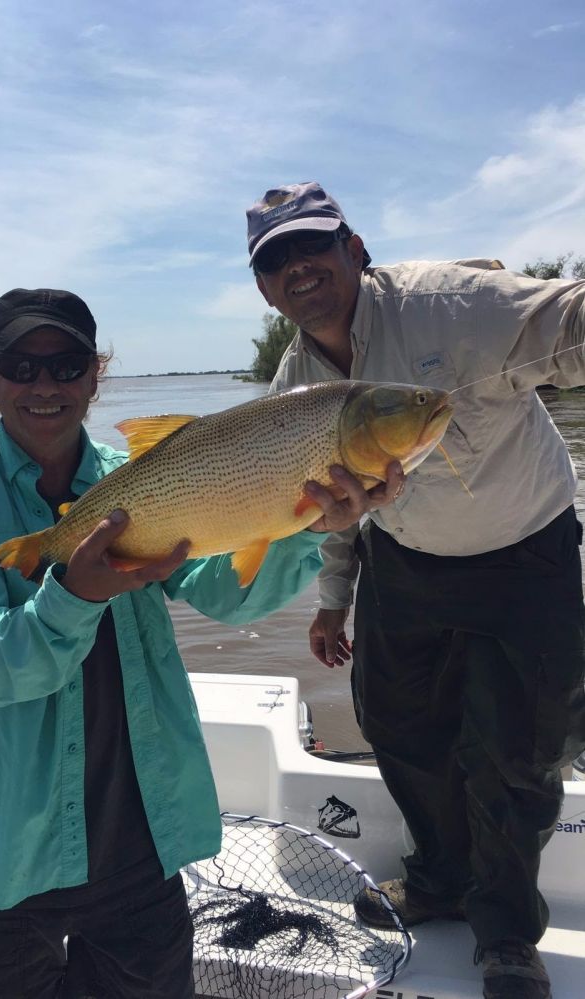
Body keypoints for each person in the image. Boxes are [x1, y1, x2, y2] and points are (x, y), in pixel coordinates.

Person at [0, 286, 403, 999]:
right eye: (21, 364)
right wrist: (75, 595)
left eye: (67, 364)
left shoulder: (134, 479)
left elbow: (232, 597)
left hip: (137, 839)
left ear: (94, 374)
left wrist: (313, 527)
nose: (45, 385)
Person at [245, 181, 585, 999]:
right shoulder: (293, 384)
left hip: (523, 551)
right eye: (274, 258)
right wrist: (332, 597)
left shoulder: (450, 302)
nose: (298, 267)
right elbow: (330, 512)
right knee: (397, 721)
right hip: (402, 560)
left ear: (353, 248)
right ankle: (437, 876)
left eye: (313, 245)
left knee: (518, 752)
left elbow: (565, 323)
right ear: (261, 284)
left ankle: (505, 932)